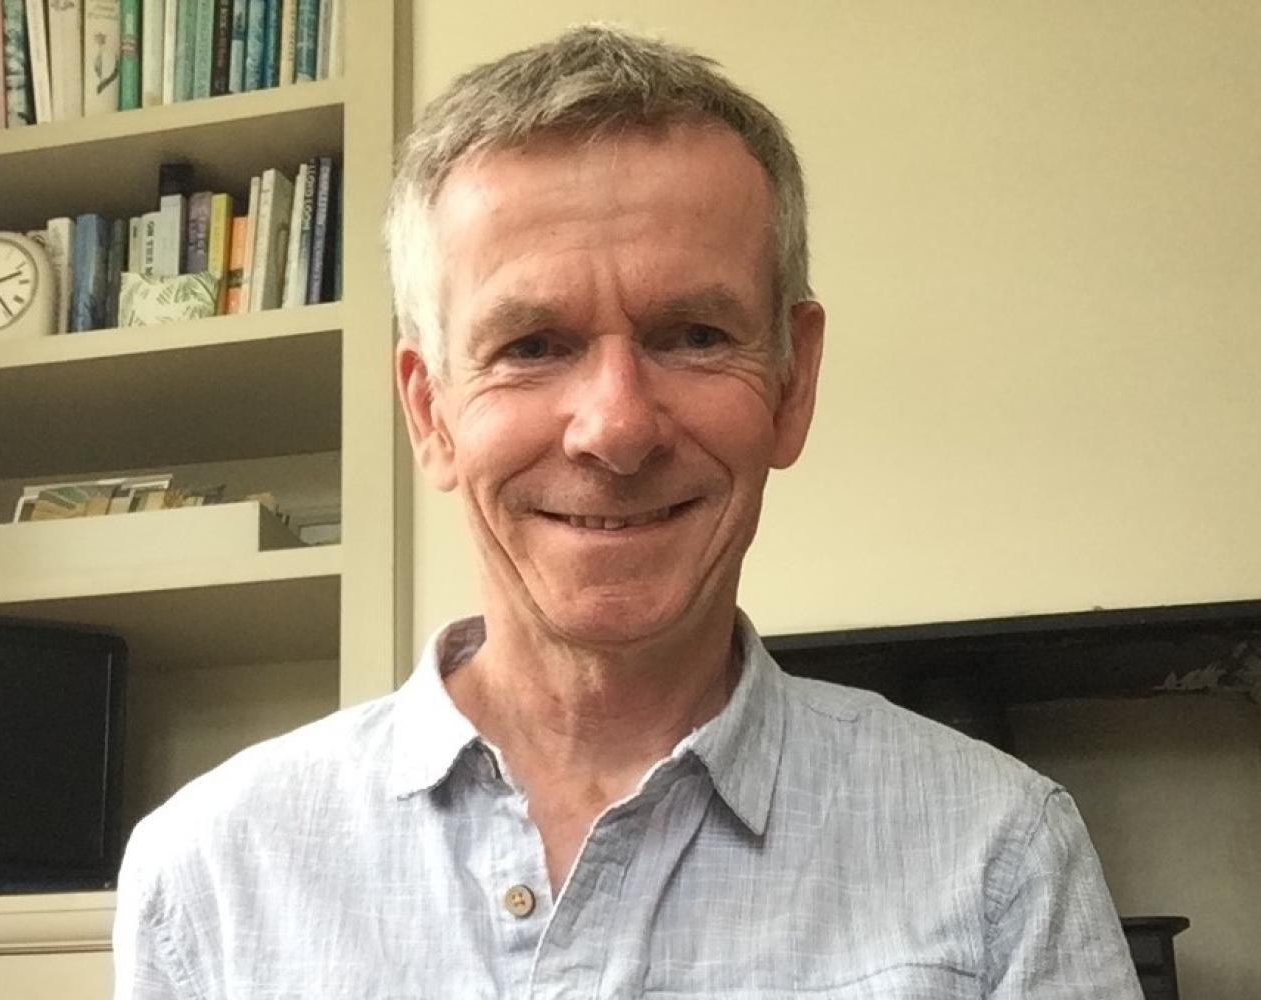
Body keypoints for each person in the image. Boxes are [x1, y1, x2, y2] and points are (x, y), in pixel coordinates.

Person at [114, 24, 1141, 998]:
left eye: (693, 334)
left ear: (793, 382)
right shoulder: (211, 876)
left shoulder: (1000, 854)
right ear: (431, 413)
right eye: (532, 346)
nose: (615, 426)